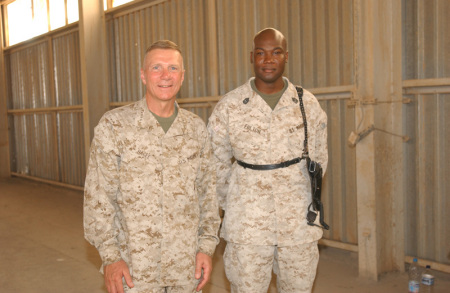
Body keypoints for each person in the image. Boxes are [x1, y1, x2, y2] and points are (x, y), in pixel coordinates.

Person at [84, 40, 220, 293]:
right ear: (143, 75)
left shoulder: (195, 129)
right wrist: (111, 257)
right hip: (135, 270)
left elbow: (208, 196)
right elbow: (99, 198)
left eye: (173, 68)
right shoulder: (114, 126)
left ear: (182, 75)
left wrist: (206, 248)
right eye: (156, 68)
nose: (165, 76)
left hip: (186, 268)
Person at [207, 28, 328, 293]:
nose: (268, 59)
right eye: (261, 53)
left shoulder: (306, 103)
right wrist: (236, 200)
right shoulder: (230, 105)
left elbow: (319, 159)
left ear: (286, 56)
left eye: (276, 53)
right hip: (247, 226)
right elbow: (214, 164)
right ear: (252, 57)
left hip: (298, 224)